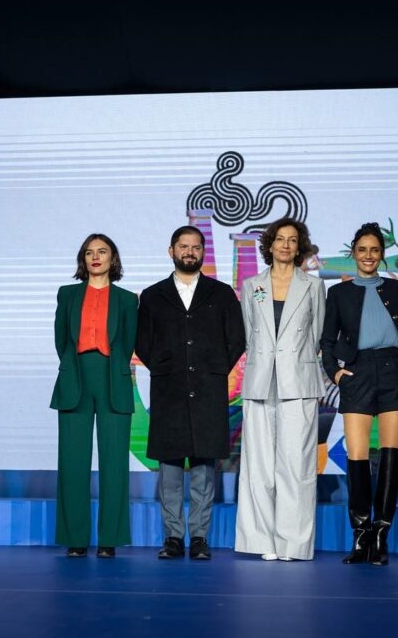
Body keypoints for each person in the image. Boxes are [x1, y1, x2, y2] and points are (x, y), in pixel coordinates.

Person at [136, 225, 245, 561]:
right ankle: (172, 536)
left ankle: (199, 537)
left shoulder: (222, 293)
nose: (190, 252)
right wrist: (167, 367)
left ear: (203, 253)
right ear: (171, 251)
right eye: (183, 246)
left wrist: (212, 370)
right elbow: (143, 342)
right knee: (169, 469)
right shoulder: (153, 295)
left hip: (208, 390)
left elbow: (236, 340)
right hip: (168, 390)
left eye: (196, 247)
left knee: (202, 469)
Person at [235, 217, 326, 561]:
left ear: (299, 247)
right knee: (257, 466)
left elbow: (316, 334)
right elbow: (249, 334)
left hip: (298, 383)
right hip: (260, 382)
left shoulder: (314, 287)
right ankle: (261, 542)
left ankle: (293, 543)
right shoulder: (251, 285)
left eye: (292, 240)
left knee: (297, 465)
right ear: (269, 245)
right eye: (280, 239)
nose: (286, 245)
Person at [321, 222, 398, 565]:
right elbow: (327, 341)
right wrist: (335, 373)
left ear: (382, 255)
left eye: (375, 250)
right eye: (362, 250)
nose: (368, 255)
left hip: (392, 370)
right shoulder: (339, 293)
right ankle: (360, 537)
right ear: (353, 254)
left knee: (391, 453)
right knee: (357, 455)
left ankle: (381, 536)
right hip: (357, 374)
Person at [49, 233, 138, 558]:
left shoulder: (128, 300)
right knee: (72, 462)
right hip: (76, 378)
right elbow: (61, 340)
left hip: (113, 379)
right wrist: (76, 366)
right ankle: (75, 538)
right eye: (89, 252)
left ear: (113, 259)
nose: (95, 257)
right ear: (82, 260)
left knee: (115, 464)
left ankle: (109, 540)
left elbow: (128, 342)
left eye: (102, 252)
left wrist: (111, 365)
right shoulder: (68, 294)